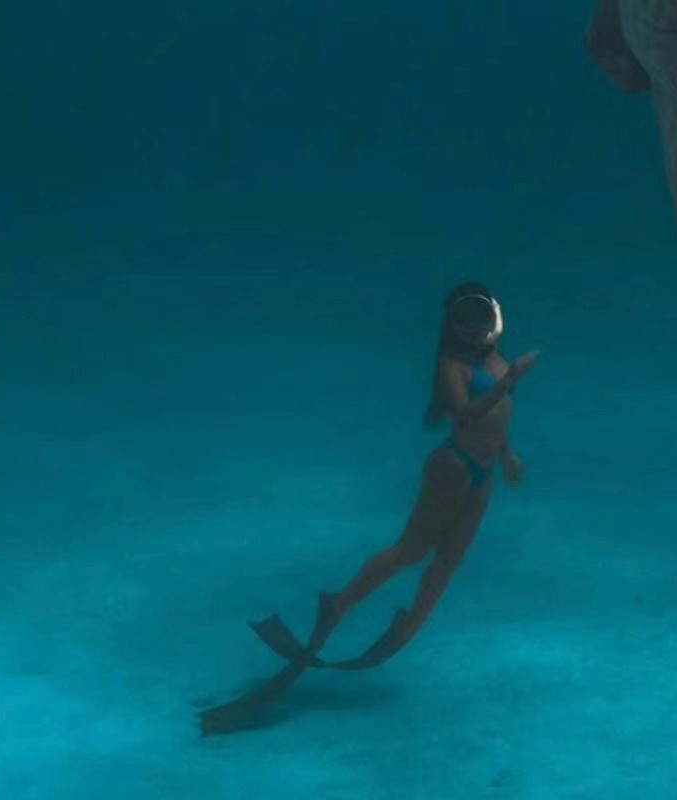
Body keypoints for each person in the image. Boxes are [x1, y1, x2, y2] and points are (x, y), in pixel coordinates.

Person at [198, 282, 536, 735]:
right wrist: (509, 382)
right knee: (413, 550)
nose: (474, 328)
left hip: (484, 472)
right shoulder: (452, 366)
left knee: (450, 559)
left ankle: (407, 627)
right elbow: (466, 416)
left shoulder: (495, 359)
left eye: (480, 317)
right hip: (454, 468)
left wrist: (507, 454)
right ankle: (338, 605)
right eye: (464, 320)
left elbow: (496, 421)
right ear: (452, 326)